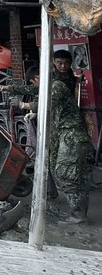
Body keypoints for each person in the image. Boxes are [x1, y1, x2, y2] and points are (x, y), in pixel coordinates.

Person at [45, 49, 91, 222]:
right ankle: (76, 211)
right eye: (59, 63)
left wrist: (26, 105)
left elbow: (47, 102)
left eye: (65, 63)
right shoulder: (51, 78)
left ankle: (78, 214)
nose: (63, 66)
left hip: (68, 131)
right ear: (53, 62)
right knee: (63, 168)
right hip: (60, 127)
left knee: (67, 172)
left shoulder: (59, 84)